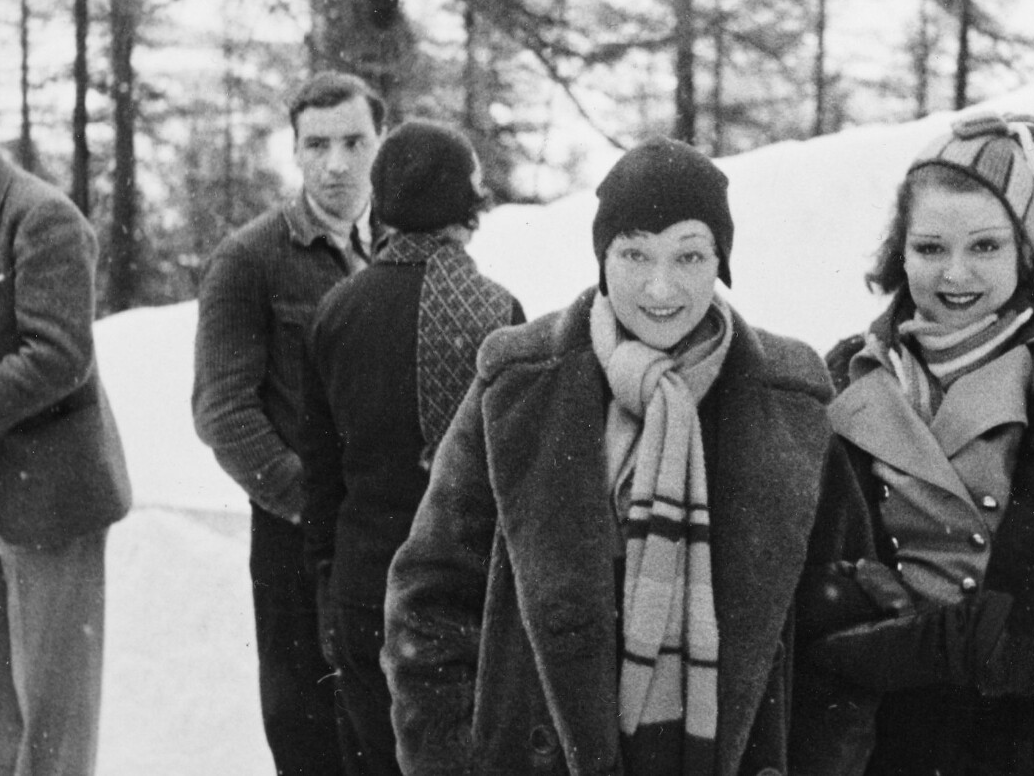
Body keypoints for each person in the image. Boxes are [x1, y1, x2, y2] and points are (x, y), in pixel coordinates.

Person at [382, 137, 877, 776]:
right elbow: (430, 598)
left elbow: (843, 631)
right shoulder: (519, 383)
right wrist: (451, 759)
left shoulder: (790, 401)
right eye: (634, 253)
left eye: (689, 255)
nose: (660, 286)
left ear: (721, 262)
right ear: (602, 258)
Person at [804, 110, 1034, 776]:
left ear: (1024, 253)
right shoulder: (838, 376)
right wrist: (857, 622)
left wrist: (976, 641)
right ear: (899, 251)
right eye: (930, 248)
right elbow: (797, 564)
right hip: (879, 741)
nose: (956, 274)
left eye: (984, 247)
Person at [300, 121, 524, 776]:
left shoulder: (337, 312)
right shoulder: (499, 315)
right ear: (464, 207)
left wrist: (325, 579)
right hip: (464, 602)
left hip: (364, 587)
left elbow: (322, 475)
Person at [193, 71, 384, 776]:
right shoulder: (249, 259)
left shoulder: (399, 245)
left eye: (354, 142)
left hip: (385, 529)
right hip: (296, 538)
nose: (337, 164)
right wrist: (312, 503)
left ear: (381, 142)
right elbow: (222, 409)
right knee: (306, 724)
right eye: (317, 145)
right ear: (295, 150)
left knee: (386, 724)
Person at [0, 149, 131, 776]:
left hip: (52, 508)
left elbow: (57, 353)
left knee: (55, 727)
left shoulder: (43, 217)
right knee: (3, 721)